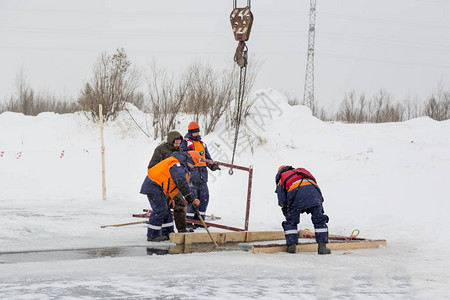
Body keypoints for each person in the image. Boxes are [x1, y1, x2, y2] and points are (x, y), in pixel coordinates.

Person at [140, 151, 201, 242]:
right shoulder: (177, 165)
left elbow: (172, 184)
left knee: (166, 211)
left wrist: (170, 197)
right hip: (153, 186)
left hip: (160, 188)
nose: (193, 167)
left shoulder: (181, 165)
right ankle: (152, 236)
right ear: (189, 160)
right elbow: (181, 183)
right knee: (160, 209)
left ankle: (168, 233)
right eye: (193, 164)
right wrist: (191, 199)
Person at [275, 165, 331, 254]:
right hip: (314, 194)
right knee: (319, 219)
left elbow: (282, 199)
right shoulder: (302, 171)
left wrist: (285, 209)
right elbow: (313, 183)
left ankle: (291, 246)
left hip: (296, 195)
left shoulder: (282, 177)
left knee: (291, 222)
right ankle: (322, 247)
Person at [147, 131, 193, 233]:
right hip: (162, 183)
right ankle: (161, 231)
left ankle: (181, 228)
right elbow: (152, 167)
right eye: (176, 141)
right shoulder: (160, 150)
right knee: (164, 207)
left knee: (180, 203)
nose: (178, 143)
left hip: (174, 184)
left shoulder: (180, 151)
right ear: (170, 140)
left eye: (180, 141)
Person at [181, 122, 220, 228]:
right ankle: (188, 222)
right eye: (195, 131)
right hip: (192, 176)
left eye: (198, 131)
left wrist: (213, 166)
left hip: (203, 177)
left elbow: (207, 158)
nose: (197, 133)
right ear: (190, 132)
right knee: (192, 200)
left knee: (204, 198)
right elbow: (182, 157)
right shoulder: (186, 143)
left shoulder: (202, 144)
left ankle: (200, 222)